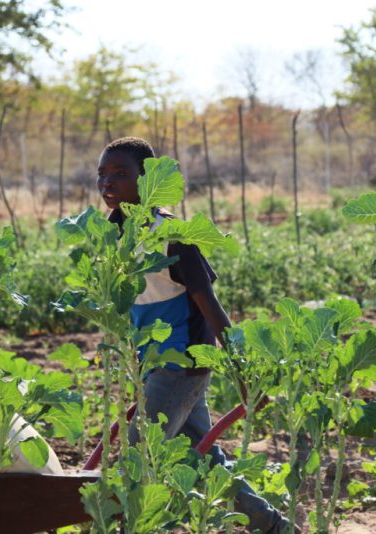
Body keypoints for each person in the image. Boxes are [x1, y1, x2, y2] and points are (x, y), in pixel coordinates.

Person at [97, 136, 297, 534]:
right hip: (155, 364)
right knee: (202, 460)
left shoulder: (173, 235)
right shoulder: (114, 233)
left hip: (181, 363)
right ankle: (275, 527)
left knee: (138, 462)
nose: (108, 182)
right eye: (102, 174)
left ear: (148, 180)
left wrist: (243, 372)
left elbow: (210, 306)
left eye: (121, 173)